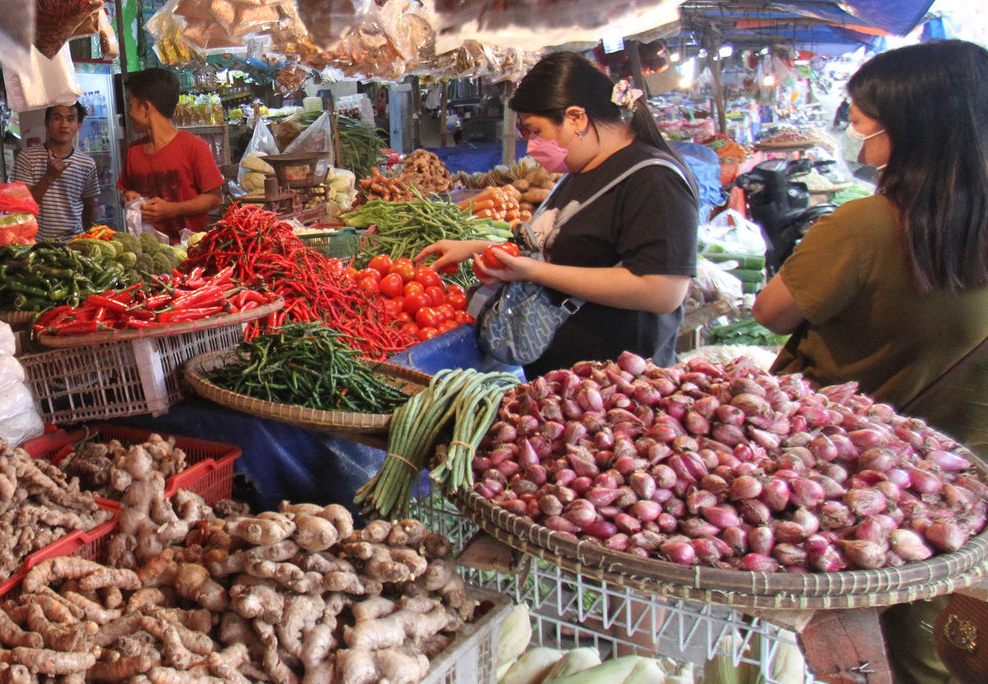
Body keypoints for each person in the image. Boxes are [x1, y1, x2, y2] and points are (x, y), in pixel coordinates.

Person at [753, 40, 988, 684]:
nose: (851, 130)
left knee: (863, 627)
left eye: (858, 117)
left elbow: (770, 311)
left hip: (850, 475)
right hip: (961, 474)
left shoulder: (863, 225)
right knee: (936, 647)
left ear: (905, 129)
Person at [417, 52, 698, 378]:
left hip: (616, 390)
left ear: (577, 118)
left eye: (536, 131)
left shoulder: (654, 179)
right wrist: (480, 248)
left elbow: (662, 291)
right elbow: (567, 249)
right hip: (563, 385)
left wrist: (534, 272)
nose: (533, 146)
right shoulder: (584, 168)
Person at [118, 68, 224, 243]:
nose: (128, 114)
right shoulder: (133, 152)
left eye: (130, 105)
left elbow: (214, 198)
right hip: (150, 251)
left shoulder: (194, 147)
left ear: (145, 108)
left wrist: (172, 209)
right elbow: (127, 194)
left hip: (190, 248)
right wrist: (128, 197)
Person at [11, 102, 99, 240]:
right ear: (47, 124)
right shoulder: (27, 157)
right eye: (57, 118)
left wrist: (89, 237)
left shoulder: (86, 164)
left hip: (74, 242)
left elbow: (89, 206)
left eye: (70, 119)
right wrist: (49, 177)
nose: (64, 124)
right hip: (36, 243)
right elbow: (22, 205)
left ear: (79, 126)